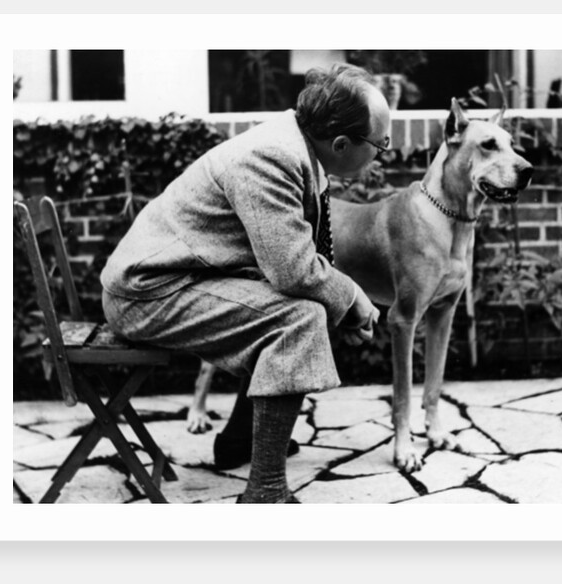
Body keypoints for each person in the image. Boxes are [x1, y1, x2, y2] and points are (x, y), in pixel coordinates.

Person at [100, 63, 389, 503]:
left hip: (179, 280)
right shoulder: (272, 157)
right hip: (146, 294)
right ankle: (266, 492)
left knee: (294, 308)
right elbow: (294, 270)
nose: (383, 152)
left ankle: (239, 440)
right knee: (298, 318)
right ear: (341, 143)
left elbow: (292, 266)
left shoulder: (297, 145)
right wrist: (352, 298)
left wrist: (341, 304)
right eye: (380, 145)